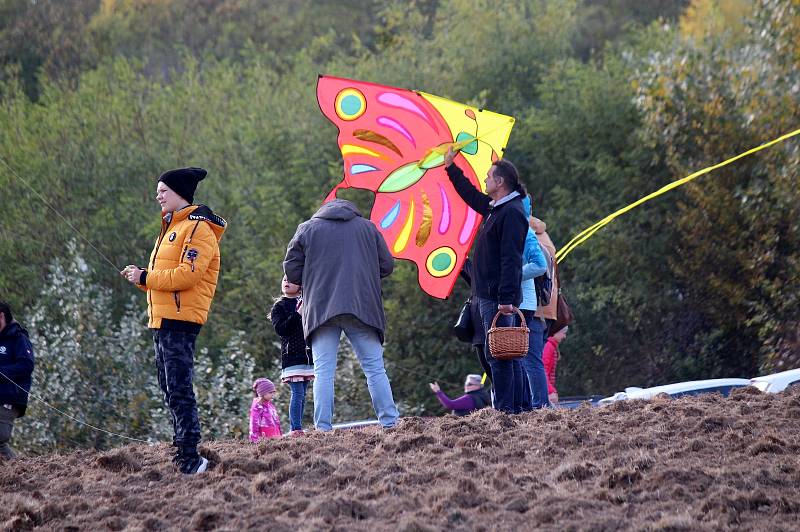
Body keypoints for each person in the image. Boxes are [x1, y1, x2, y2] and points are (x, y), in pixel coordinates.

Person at [121, 167, 226, 475]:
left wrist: (146, 276)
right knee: (169, 387)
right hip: (162, 319)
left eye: (163, 191)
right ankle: (183, 451)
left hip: (181, 320)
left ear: (181, 193)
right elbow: (164, 277)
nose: (158, 196)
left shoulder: (198, 230)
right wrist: (142, 279)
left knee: (179, 388)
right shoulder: (170, 228)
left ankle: (191, 457)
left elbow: (187, 274)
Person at [283, 198, 399, 431]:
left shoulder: (307, 229)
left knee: (324, 371)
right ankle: (390, 423)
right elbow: (386, 265)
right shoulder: (368, 228)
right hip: (362, 306)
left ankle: (323, 428)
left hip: (321, 308)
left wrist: (312, 276)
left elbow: (291, 271)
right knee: (375, 368)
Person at [444, 147, 529, 414]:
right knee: (500, 355)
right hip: (484, 294)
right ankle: (518, 408)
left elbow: (511, 259)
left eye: (489, 176)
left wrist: (506, 299)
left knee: (501, 356)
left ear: (500, 182)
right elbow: (471, 195)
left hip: (496, 297)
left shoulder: (511, 213)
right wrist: (451, 168)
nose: (485, 180)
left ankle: (508, 411)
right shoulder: (496, 208)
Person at [269, 276, 314, 436]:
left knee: (303, 394)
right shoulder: (279, 306)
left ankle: (298, 426)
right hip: (292, 356)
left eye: (291, 279)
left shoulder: (307, 301)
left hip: (308, 356)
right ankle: (295, 428)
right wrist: (297, 314)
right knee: (298, 393)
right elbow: (281, 329)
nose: (286, 282)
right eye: (284, 279)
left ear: (301, 285)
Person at [518, 196, 550, 409]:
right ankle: (537, 404)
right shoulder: (543, 236)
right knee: (529, 359)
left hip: (533, 307)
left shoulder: (528, 235)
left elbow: (540, 266)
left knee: (530, 359)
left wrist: (510, 275)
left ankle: (539, 405)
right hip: (541, 308)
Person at [0, 301, 34, 460]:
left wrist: (2, 373)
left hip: (9, 398)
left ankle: (22, 473)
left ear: (1, 316)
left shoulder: (18, 338)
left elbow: (26, 365)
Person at [531, 216, 559, 338]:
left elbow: (539, 267)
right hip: (548, 308)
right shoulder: (543, 235)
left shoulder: (525, 234)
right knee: (536, 354)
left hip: (535, 310)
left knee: (530, 356)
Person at [543, 326, 568, 405]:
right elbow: (543, 370)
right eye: (563, 333)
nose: (564, 336)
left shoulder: (551, 346)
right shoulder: (548, 346)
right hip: (546, 391)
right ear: (556, 332)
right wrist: (550, 391)